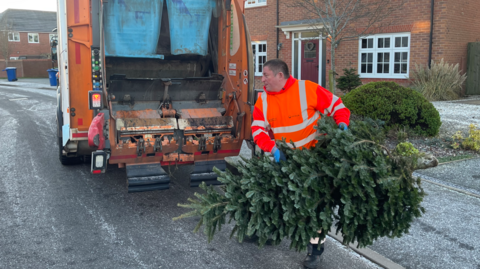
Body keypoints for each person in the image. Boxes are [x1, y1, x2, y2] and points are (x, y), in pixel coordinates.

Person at [251, 59, 350, 268]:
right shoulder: (263, 100)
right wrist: (273, 149)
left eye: (266, 75)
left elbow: (337, 106)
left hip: (315, 162)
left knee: (315, 207)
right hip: (285, 160)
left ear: (280, 75)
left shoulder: (307, 89)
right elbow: (258, 130)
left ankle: (315, 251)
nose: (262, 80)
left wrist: (342, 123)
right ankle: (268, 231)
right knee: (276, 198)